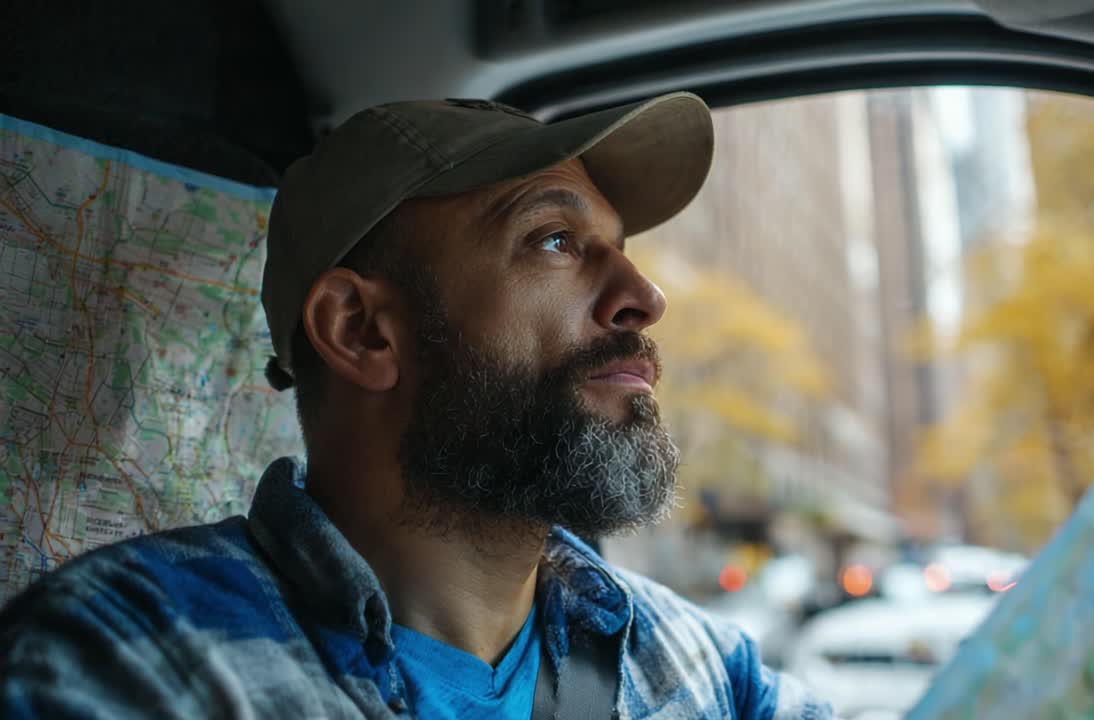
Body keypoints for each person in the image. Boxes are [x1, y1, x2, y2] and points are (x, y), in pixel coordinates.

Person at [0, 93, 832, 719]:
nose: (645, 298)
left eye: (621, 252)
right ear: (360, 330)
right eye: (554, 239)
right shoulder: (124, 664)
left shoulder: (709, 670)